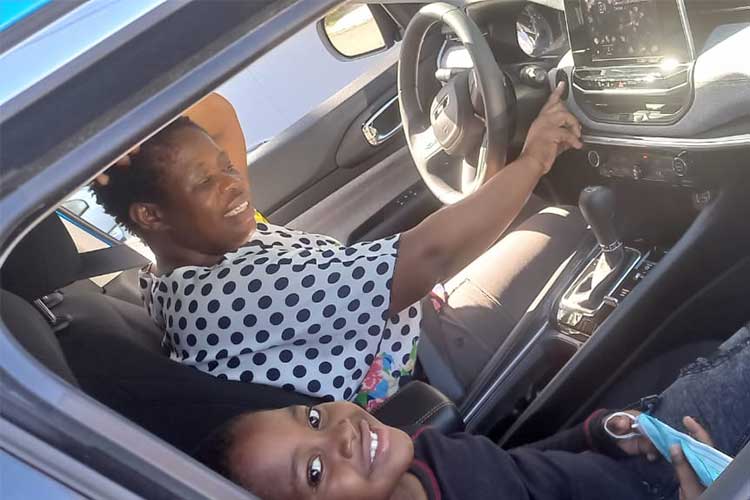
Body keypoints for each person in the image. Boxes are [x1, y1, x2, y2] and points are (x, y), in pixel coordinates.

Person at [91, 83, 584, 408]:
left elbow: (217, 115)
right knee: (565, 224)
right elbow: (428, 257)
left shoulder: (189, 256)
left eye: (226, 166)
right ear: (151, 215)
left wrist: (120, 125)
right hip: (416, 368)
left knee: (523, 210)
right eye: (205, 181)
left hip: (387, 327)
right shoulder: (229, 294)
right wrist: (536, 157)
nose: (235, 184)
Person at [193, 326, 750, 500]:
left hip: (647, 453)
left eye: (311, 418)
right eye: (313, 473)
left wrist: (600, 432)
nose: (337, 433)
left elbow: (526, 466)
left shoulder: (420, 457)